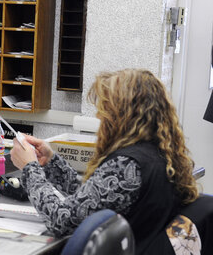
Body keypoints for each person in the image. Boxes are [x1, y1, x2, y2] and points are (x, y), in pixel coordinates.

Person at [10, 69, 199, 254]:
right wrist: (51, 162)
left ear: (124, 115)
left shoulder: (127, 165)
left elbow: (61, 220)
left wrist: (30, 168)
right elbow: (93, 200)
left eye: (105, 110)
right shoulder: (159, 154)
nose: (99, 116)